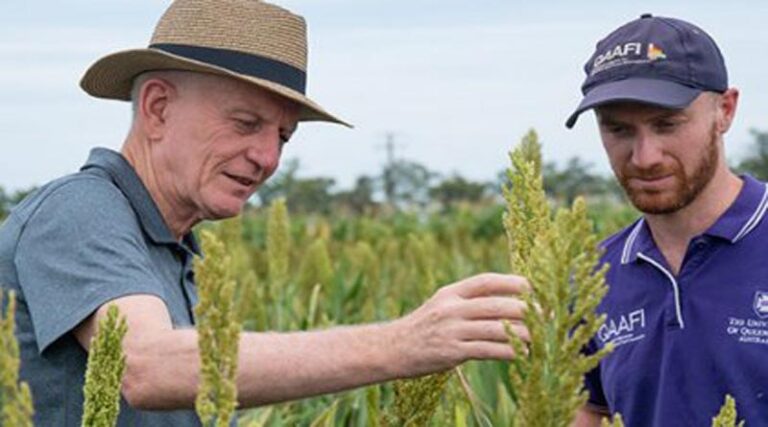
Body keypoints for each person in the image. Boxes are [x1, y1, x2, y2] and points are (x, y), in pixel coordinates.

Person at [0, 1, 529, 425]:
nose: (268, 158)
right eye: (245, 123)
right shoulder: (78, 210)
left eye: (282, 135)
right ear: (158, 107)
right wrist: (404, 343)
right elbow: (145, 365)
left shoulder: (175, 246)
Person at [566, 14, 765, 427]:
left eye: (667, 124)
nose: (645, 157)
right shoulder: (592, 278)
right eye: (618, 130)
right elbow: (587, 412)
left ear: (725, 110)